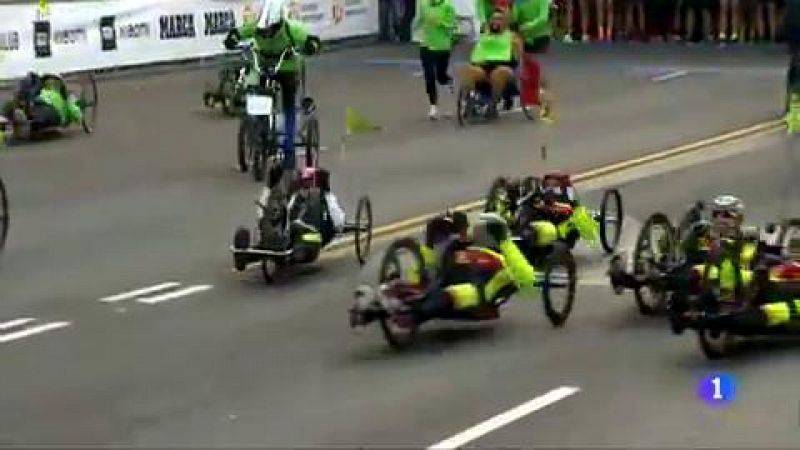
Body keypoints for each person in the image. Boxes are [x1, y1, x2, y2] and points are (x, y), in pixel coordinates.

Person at [352, 212, 542, 330]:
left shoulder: (501, 257)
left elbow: (528, 280)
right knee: (418, 286)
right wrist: (431, 239)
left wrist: (504, 242)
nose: (477, 235)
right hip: (445, 278)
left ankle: (410, 314)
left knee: (451, 294)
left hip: (477, 293)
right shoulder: (458, 248)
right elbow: (426, 266)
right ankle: (371, 308)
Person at [223, 0, 321, 177]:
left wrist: (311, 45)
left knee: (288, 106)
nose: (265, 34)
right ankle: (260, 130)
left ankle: (289, 149)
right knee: (258, 97)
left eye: (269, 30)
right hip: (264, 67)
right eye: (262, 31)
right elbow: (238, 33)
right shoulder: (256, 27)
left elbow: (310, 40)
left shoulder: (292, 30)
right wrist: (232, 38)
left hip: (287, 69)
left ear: (278, 24)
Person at [461, 9, 522, 117]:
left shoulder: (512, 36)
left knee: (498, 73)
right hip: (483, 68)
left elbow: (518, 58)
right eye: (493, 19)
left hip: (504, 68)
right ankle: (470, 102)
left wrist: (515, 47)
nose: (495, 21)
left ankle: (492, 105)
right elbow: (476, 54)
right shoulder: (484, 36)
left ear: (505, 23)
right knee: (469, 70)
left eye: (499, 19)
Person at [1, 72, 83, 140]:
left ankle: (30, 126)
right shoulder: (66, 96)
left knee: (26, 109)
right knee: (39, 114)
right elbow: (75, 111)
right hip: (51, 113)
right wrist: (79, 118)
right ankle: (34, 126)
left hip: (38, 107)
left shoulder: (38, 92)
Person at [411, 0, 457, 119]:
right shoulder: (423, 3)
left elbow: (452, 25)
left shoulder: (448, 5)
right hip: (426, 44)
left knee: (440, 76)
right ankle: (433, 106)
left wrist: (441, 23)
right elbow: (418, 20)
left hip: (442, 46)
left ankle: (448, 81)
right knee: (429, 76)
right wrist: (413, 32)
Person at [511, 0, 556, 121]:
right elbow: (514, 19)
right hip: (523, 37)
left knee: (540, 72)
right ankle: (521, 94)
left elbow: (542, 18)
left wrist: (527, 26)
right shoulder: (518, 2)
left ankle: (546, 106)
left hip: (540, 37)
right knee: (525, 67)